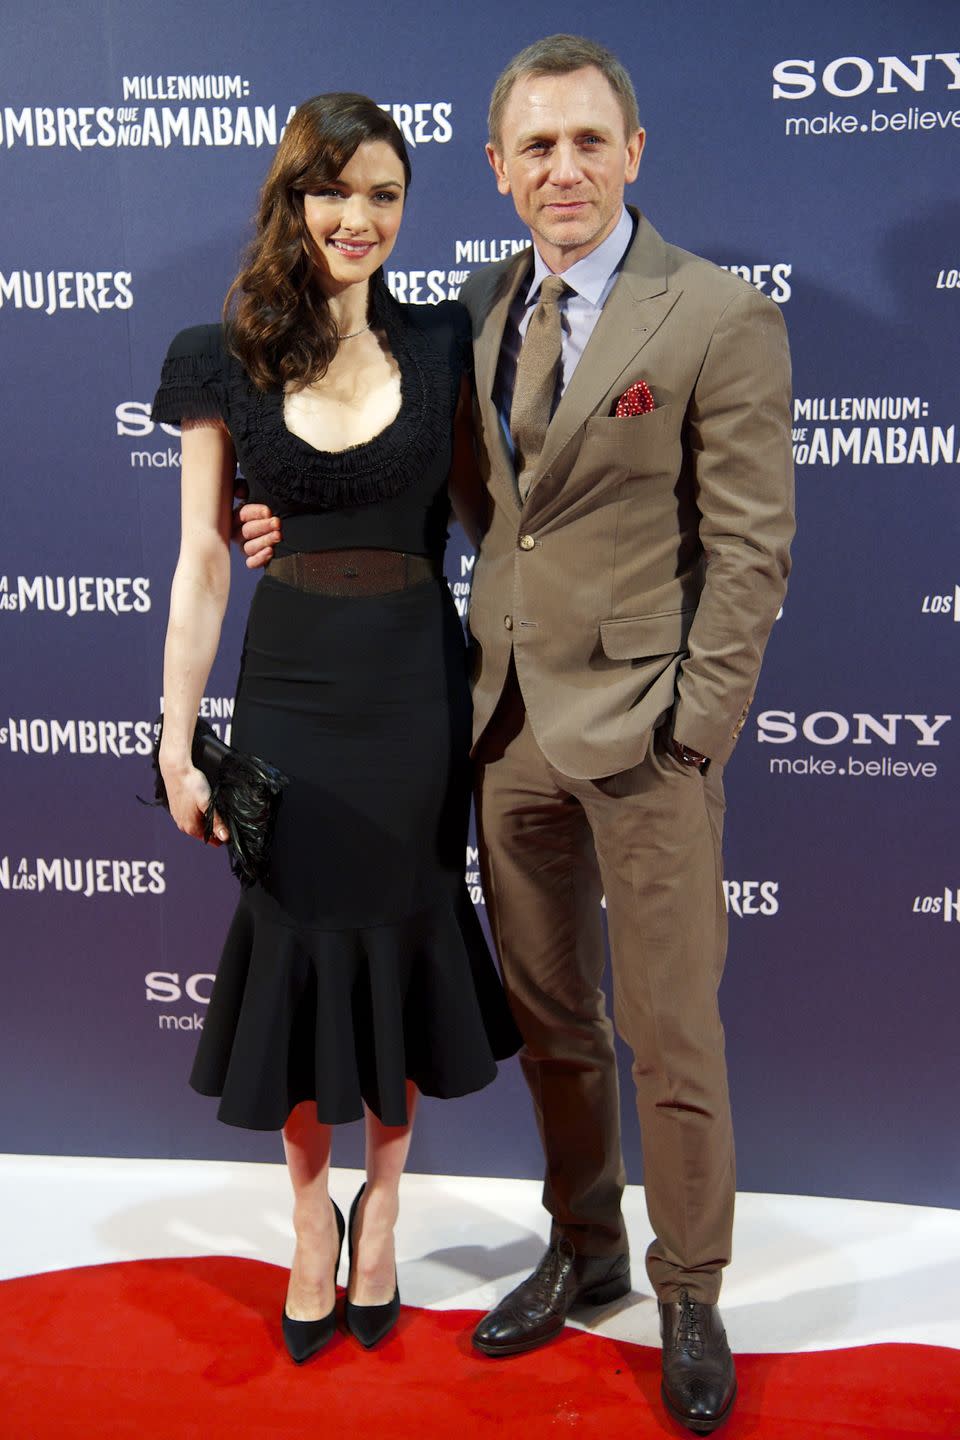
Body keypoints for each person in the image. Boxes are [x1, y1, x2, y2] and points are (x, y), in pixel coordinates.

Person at [240, 36, 794, 1434]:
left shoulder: (718, 314)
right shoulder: (473, 311)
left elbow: (749, 553)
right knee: (555, 1024)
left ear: (634, 154)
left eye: (588, 141)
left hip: (651, 738)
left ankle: (689, 1291)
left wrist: (695, 730)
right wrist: (283, 524)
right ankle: (587, 1245)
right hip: (498, 730)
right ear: (496, 170)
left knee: (671, 1034)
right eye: (535, 148)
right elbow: (424, 478)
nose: (564, 168)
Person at [152, 91, 518, 1367]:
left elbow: (491, 521)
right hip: (290, 694)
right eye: (334, 190)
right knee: (305, 952)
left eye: (385, 195)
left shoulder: (442, 337)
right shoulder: (221, 354)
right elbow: (205, 555)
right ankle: (311, 1216)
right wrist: (175, 734)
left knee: (404, 942)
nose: (358, 218)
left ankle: (387, 1212)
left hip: (416, 693)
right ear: (290, 196)